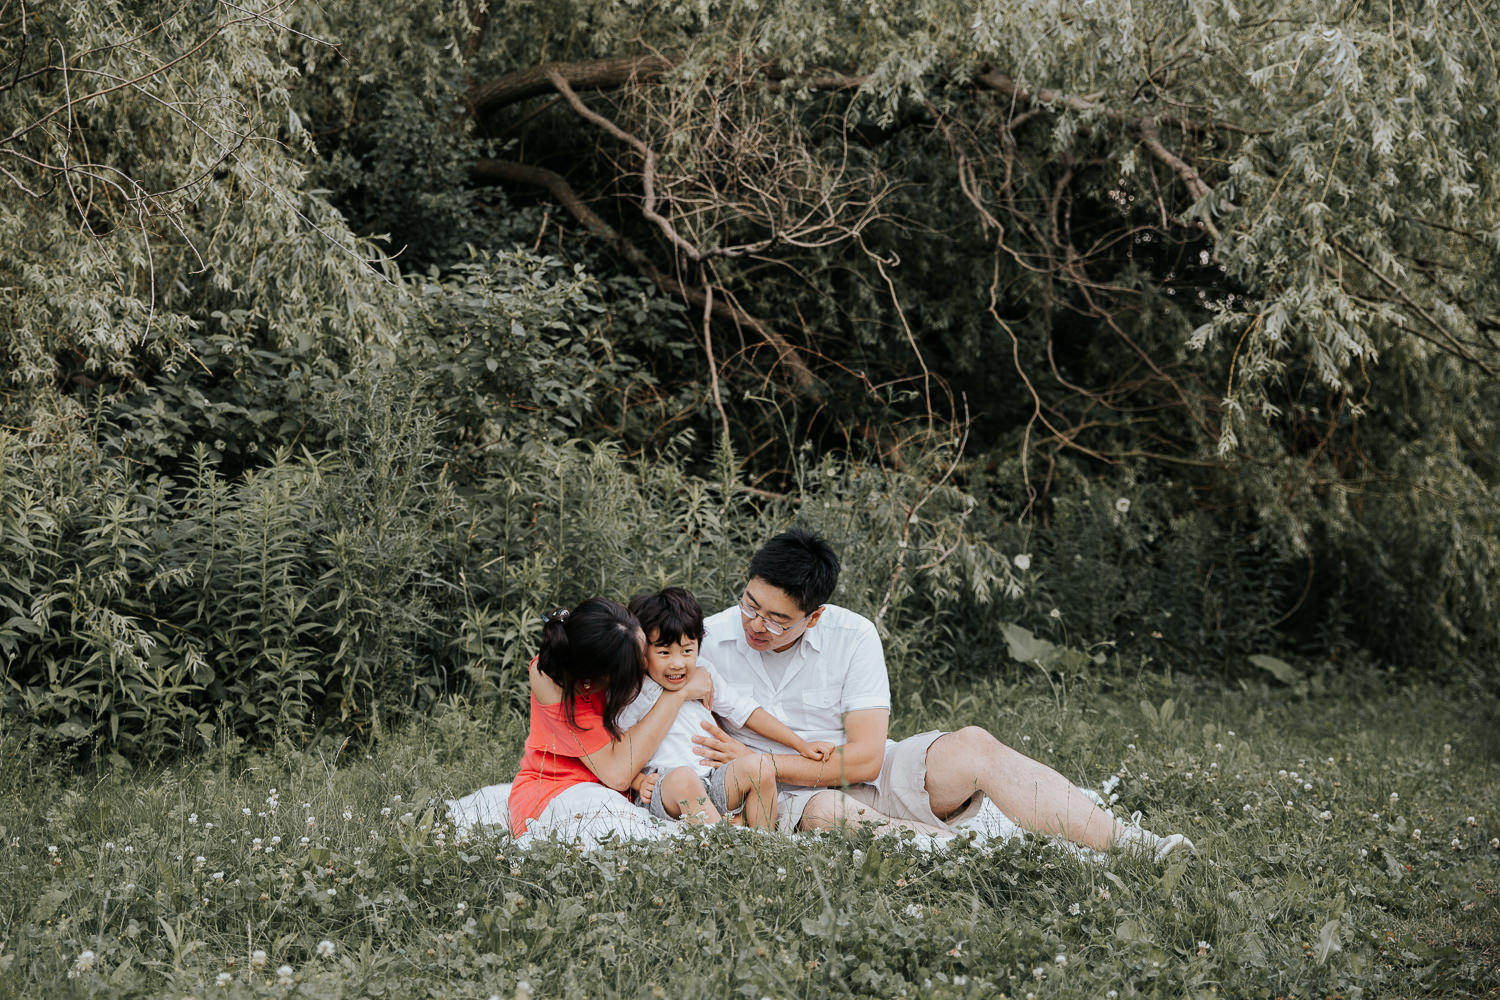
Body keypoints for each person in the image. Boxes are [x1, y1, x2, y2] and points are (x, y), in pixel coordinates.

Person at [691, 528, 1194, 860]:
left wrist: (761, 758)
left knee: (973, 744)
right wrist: (758, 771)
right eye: (750, 605)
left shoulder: (852, 634)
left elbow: (866, 760)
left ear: (814, 615)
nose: (756, 624)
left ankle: (1134, 844)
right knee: (829, 814)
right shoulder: (708, 640)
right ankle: (984, 859)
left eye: (777, 620)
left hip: (859, 770)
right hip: (780, 797)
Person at [617, 587, 835, 829]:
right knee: (683, 778)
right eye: (664, 652)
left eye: (687, 650)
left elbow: (747, 711)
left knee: (761, 765)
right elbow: (618, 747)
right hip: (667, 787)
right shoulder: (635, 690)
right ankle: (727, 842)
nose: (677, 663)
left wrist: (800, 745)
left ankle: (765, 843)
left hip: (713, 780)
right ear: (643, 650)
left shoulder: (703, 673)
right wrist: (638, 781)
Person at [508, 597, 714, 841]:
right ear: (593, 684)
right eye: (639, 664)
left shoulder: (615, 632)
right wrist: (678, 694)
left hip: (632, 788)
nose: (648, 663)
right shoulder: (552, 681)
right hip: (562, 788)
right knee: (628, 838)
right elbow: (618, 774)